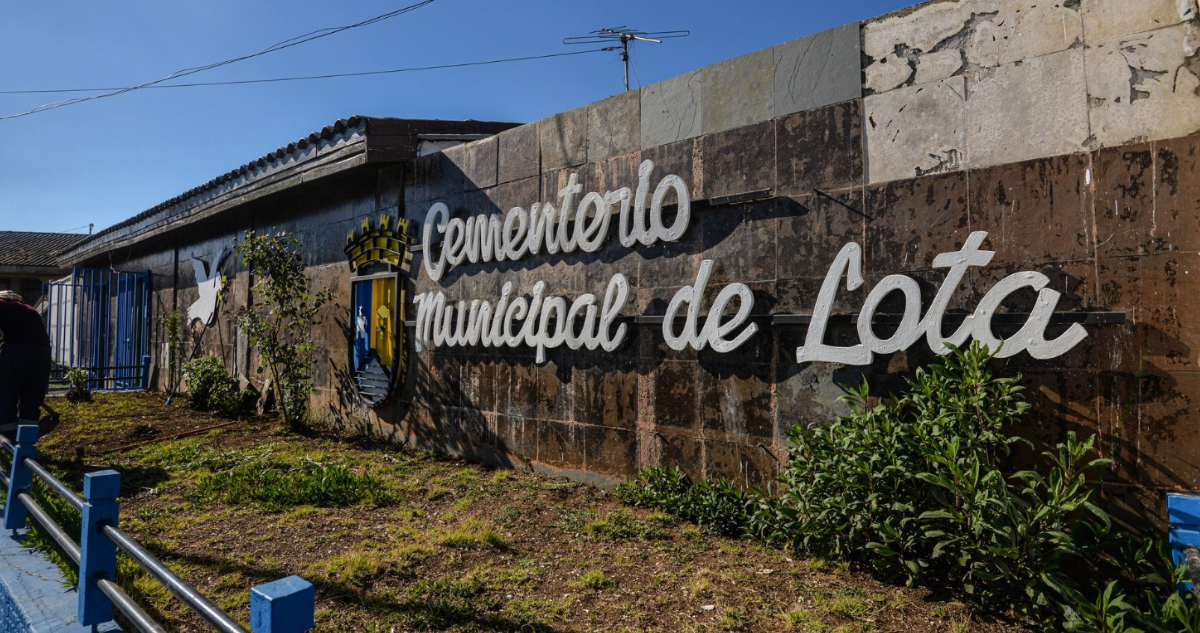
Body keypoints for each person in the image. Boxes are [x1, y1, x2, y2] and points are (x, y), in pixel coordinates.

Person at [0, 290, 52, 440]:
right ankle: (27, 442)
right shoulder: (31, 310)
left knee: (6, 395)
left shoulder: (3, 304)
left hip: (16, 352)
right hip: (42, 354)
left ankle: (7, 443)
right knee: (31, 399)